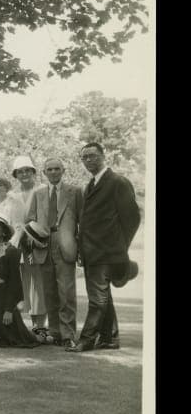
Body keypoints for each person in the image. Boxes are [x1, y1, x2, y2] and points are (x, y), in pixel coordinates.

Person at [70, 142, 141, 353]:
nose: (89, 160)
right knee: (103, 296)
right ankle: (109, 338)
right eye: (85, 157)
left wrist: (119, 246)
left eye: (92, 155)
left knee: (97, 299)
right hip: (92, 252)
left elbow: (132, 218)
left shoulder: (118, 182)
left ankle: (86, 340)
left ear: (103, 156)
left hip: (107, 253)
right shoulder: (89, 185)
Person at [25, 156, 85, 350]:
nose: (53, 172)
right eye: (49, 169)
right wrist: (34, 241)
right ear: (44, 172)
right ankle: (55, 332)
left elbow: (82, 222)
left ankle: (68, 335)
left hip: (65, 244)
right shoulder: (38, 194)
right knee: (49, 291)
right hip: (43, 245)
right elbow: (29, 221)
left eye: (56, 169)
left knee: (66, 292)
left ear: (63, 170)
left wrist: (81, 249)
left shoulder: (75, 192)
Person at [0, 215, 38, 348]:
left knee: (8, 334)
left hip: (2, 298)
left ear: (4, 230)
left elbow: (14, 281)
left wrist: (9, 309)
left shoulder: (12, 251)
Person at [10, 155, 49, 339]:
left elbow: (46, 217)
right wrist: (20, 237)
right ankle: (34, 325)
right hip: (21, 244)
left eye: (28, 170)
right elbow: (14, 221)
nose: (24, 174)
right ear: (15, 175)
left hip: (40, 241)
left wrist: (34, 236)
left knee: (40, 283)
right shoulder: (13, 196)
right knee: (27, 283)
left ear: (34, 172)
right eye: (20, 171)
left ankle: (42, 325)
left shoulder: (43, 189)